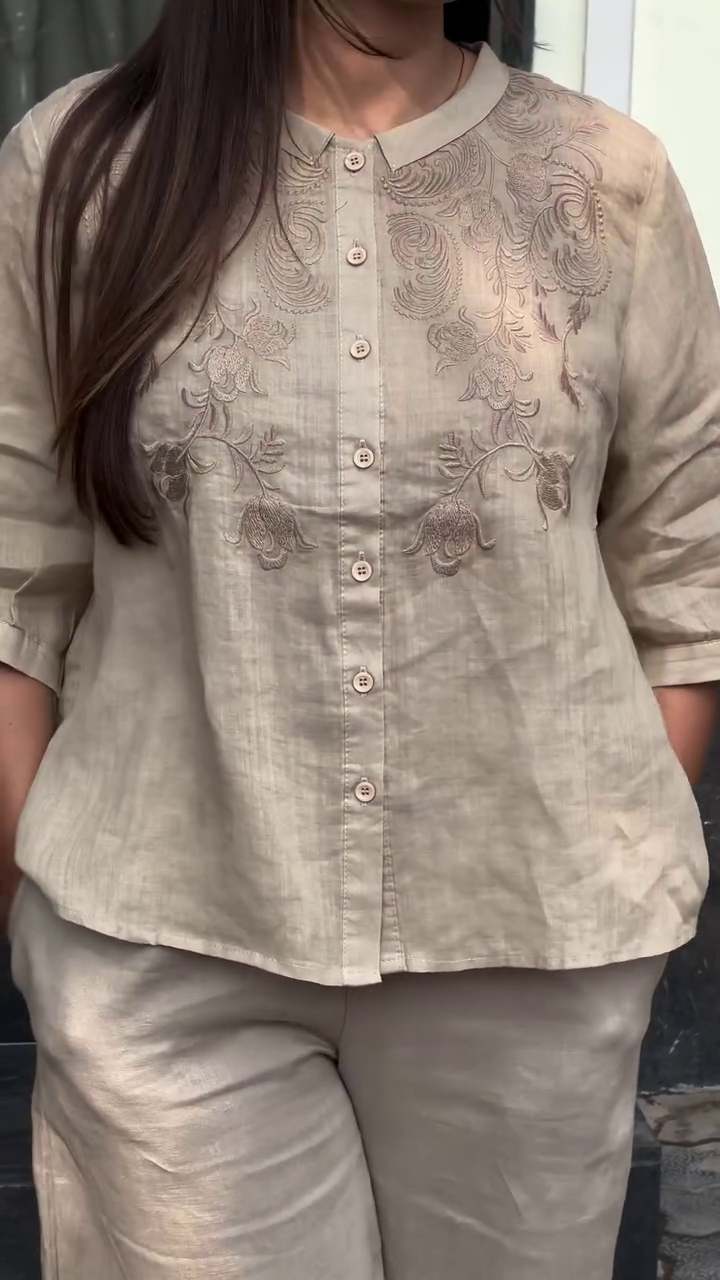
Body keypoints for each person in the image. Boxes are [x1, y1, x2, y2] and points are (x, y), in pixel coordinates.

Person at [1, 2, 719, 1277]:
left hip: (529, 945)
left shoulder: (610, 180)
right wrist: (31, 901)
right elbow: (16, 573)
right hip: (165, 937)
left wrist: (611, 856)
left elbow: (685, 568)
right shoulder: (84, 168)